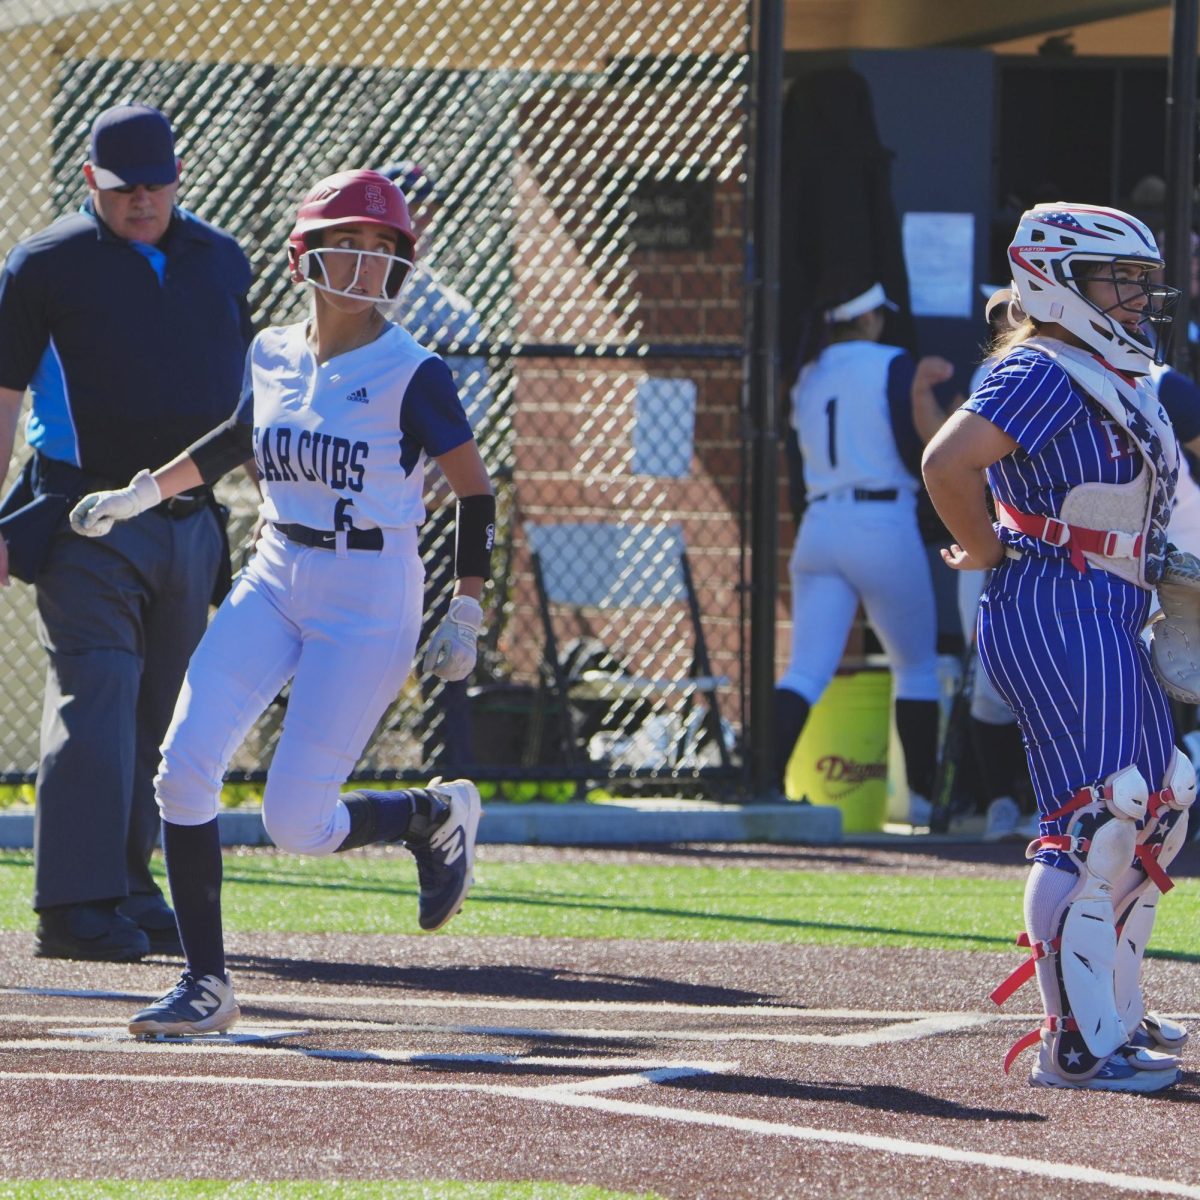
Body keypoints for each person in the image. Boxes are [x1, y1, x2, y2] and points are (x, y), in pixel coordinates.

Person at [69, 168, 490, 1036]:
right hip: (275, 571)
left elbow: (476, 494)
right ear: (306, 253)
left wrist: (468, 608)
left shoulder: (414, 370)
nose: (368, 264)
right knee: (182, 767)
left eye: (384, 249)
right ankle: (206, 983)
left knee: (296, 823)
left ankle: (429, 814)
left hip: (370, 592)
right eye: (352, 244)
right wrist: (137, 496)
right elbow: (234, 439)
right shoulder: (272, 350)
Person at [922, 202, 1194, 1093]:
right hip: (1056, 597)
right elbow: (947, 461)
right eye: (1119, 279)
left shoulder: (1108, 367)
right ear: (1058, 281)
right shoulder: (1042, 365)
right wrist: (991, 545)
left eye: (1141, 281)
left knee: (1158, 804)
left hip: (1109, 601)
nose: (1135, 298)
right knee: (1097, 813)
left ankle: (1110, 1000)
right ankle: (1075, 1041)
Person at [0, 104, 252, 962]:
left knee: (166, 718)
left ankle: (133, 886)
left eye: (155, 185)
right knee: (98, 701)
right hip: (84, 519)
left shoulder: (223, 259)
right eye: (122, 189)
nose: (141, 201)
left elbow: (253, 409)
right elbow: (2, 401)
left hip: (189, 522)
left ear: (179, 178)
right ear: (90, 183)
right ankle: (73, 906)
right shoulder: (43, 264)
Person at [773, 282, 943, 826]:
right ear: (867, 317)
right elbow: (919, 442)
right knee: (915, 668)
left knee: (804, 671)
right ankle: (921, 800)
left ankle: (762, 780)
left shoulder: (808, 371)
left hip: (821, 520)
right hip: (881, 517)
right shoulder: (892, 361)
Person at [378, 161, 494, 770]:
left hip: (428, 504)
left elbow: (470, 414)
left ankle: (444, 773)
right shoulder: (348, 299)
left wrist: (435, 489)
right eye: (403, 206)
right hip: (358, 502)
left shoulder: (448, 310)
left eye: (422, 208)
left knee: (440, 641)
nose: (412, 220)